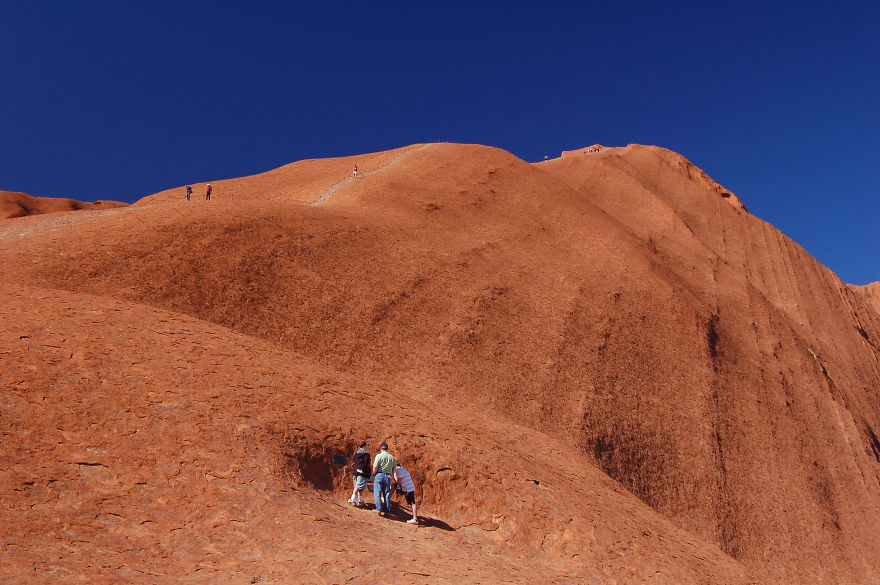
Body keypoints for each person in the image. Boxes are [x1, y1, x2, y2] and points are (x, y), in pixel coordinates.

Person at [372, 442, 397, 517]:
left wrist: (374, 473)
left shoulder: (379, 456)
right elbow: (394, 470)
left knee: (377, 493)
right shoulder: (392, 458)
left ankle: (379, 510)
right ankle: (387, 511)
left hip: (379, 474)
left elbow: (375, 466)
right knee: (387, 494)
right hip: (388, 476)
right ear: (387, 448)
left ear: (381, 448)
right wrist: (394, 478)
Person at [348, 441, 370, 507]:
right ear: (364, 446)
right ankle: (352, 499)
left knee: (357, 486)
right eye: (366, 445)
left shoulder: (356, 453)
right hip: (362, 471)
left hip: (355, 471)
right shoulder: (366, 454)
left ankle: (360, 501)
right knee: (358, 486)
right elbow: (366, 463)